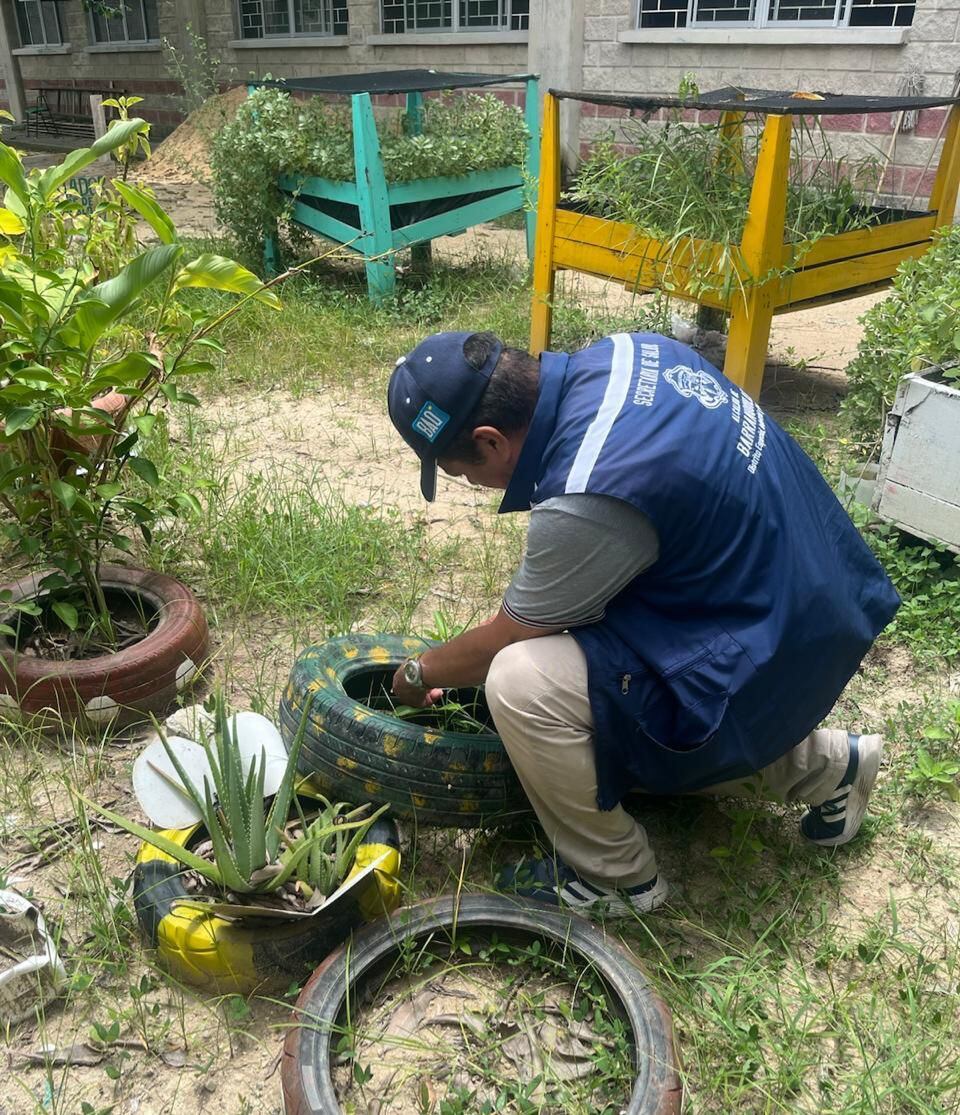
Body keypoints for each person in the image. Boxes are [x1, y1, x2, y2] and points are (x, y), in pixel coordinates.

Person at [386, 330, 900, 915]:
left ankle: (618, 879)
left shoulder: (589, 492)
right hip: (804, 594)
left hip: (774, 647)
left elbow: (512, 635)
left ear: (490, 440)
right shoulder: (629, 351)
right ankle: (832, 766)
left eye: (458, 473)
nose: (467, 486)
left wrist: (417, 670)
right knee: (582, 656)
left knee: (523, 683)